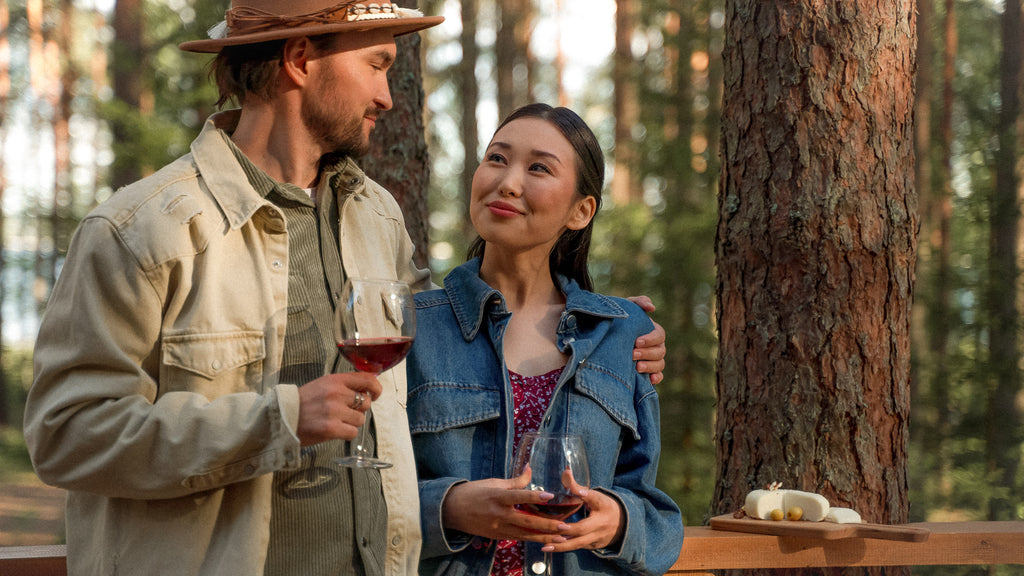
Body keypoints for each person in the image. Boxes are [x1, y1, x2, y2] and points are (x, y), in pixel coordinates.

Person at [22, 3, 668, 576]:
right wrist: (277, 419)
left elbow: (457, 329)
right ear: (302, 59)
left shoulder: (375, 216)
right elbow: (65, 434)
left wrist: (613, 327)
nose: (389, 96)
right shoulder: (142, 229)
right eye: (378, 64)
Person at [406, 103, 684, 576]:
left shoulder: (621, 333)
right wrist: (448, 508)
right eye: (497, 158)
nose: (508, 182)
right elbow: (360, 493)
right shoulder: (412, 329)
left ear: (581, 211)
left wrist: (618, 519)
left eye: (538, 168)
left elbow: (657, 515)